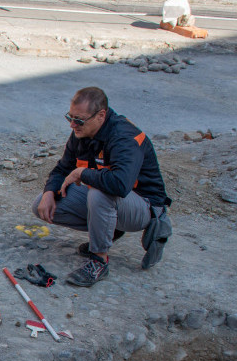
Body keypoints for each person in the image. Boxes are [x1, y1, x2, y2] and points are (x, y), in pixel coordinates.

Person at [35, 86, 173, 287]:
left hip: (144, 207)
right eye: (70, 117)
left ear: (101, 115)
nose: (73, 125)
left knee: (99, 192)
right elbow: (62, 168)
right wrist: (49, 192)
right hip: (116, 204)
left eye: (79, 120)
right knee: (41, 204)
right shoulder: (81, 133)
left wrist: (82, 173)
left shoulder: (125, 137)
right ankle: (111, 230)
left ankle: (99, 261)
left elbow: (119, 185)